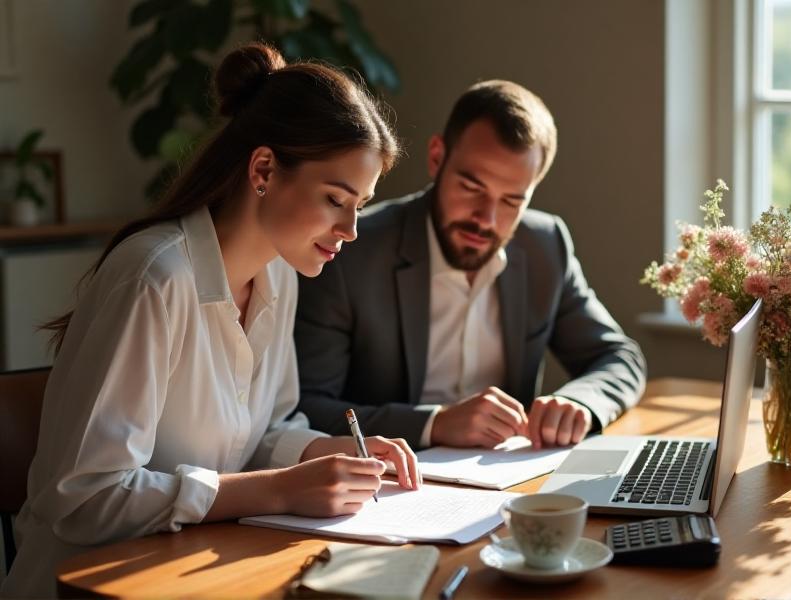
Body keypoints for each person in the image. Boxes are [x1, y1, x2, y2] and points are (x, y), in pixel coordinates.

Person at [0, 43, 420, 599]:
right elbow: (86, 497)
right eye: (335, 199)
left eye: (359, 205)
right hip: (92, 583)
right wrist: (276, 491)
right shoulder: (155, 277)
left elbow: (267, 428)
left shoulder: (280, 275)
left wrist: (329, 453)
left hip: (196, 571)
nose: (351, 229)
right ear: (264, 169)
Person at [295, 79, 646, 451]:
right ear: (436, 157)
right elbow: (306, 408)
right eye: (472, 187)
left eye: (512, 200)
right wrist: (435, 423)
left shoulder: (545, 245)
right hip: (387, 482)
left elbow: (619, 357)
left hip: (507, 483)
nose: (487, 219)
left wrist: (581, 403)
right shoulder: (350, 250)